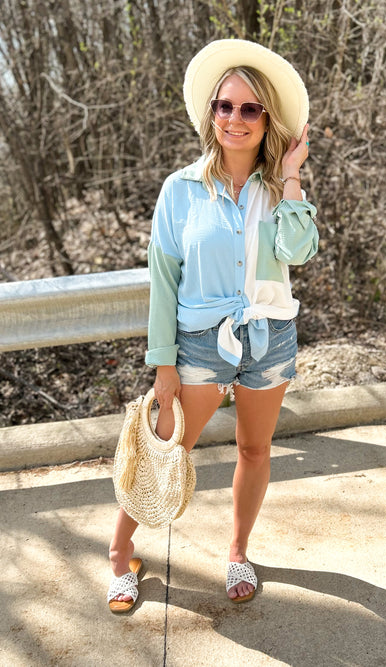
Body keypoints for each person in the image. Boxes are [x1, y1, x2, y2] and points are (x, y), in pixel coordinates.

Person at [108, 38, 319, 611]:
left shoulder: (279, 188)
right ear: (211, 115)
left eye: (250, 109)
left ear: (266, 120)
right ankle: (119, 553)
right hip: (199, 342)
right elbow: (164, 282)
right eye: (226, 106)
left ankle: (237, 552)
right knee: (163, 450)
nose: (235, 118)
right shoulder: (179, 191)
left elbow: (299, 253)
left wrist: (292, 174)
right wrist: (164, 367)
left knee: (255, 449)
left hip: (270, 336)